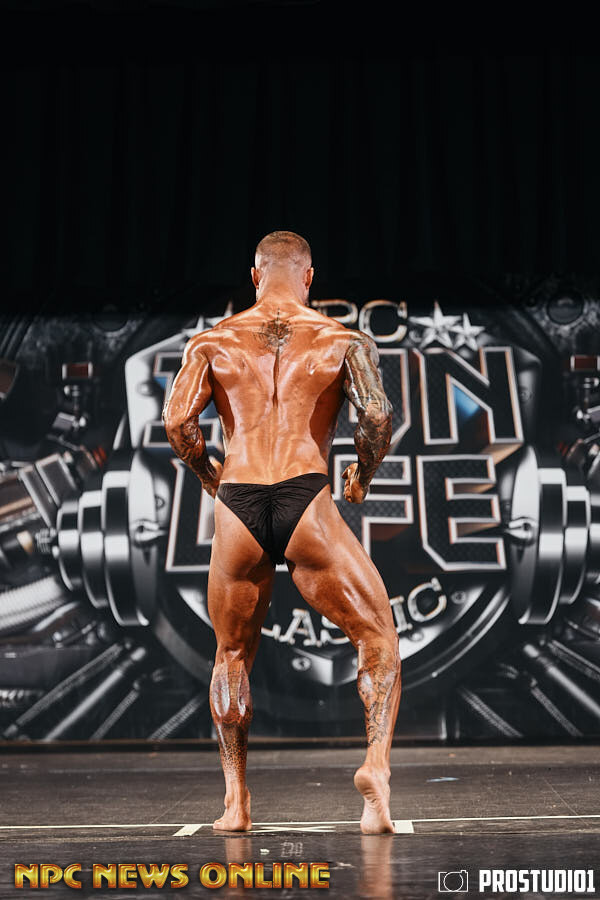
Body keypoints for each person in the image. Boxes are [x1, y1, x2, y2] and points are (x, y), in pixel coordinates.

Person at [163, 231, 401, 834]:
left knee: (231, 654)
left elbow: (177, 422)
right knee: (377, 637)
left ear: (254, 275)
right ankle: (375, 768)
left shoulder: (211, 342)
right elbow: (376, 415)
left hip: (238, 504)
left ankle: (235, 803)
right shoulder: (341, 340)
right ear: (309, 277)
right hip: (304, 498)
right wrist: (362, 476)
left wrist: (209, 476)